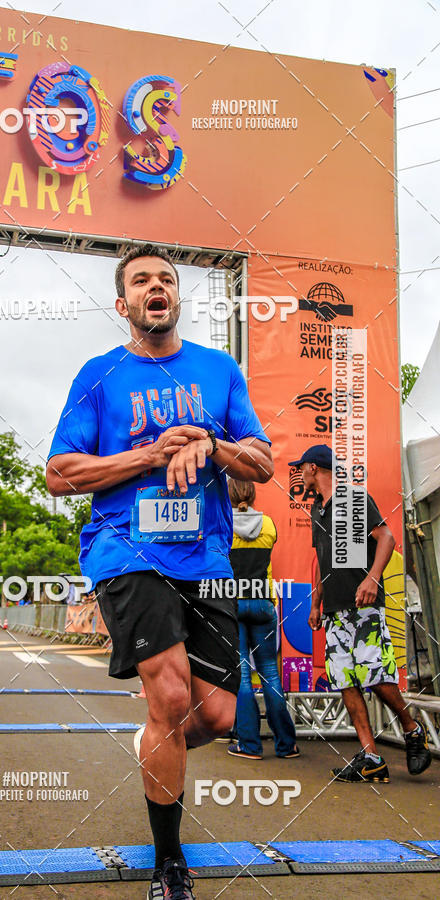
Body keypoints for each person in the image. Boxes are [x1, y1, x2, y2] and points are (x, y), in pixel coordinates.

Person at [47, 243, 273, 899]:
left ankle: (156, 738)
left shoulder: (218, 369)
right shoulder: (99, 375)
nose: (156, 286)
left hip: (205, 557)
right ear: (124, 304)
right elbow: (60, 473)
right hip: (126, 550)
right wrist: (150, 454)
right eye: (142, 279)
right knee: (172, 698)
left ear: (176, 299)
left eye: (167, 279)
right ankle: (169, 862)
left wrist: (212, 443)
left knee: (220, 716)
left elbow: (259, 464)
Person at [291, 444, 432, 782]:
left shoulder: (352, 498)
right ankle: (371, 757)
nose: (300, 474)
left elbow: (386, 537)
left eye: (302, 468)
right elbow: (320, 560)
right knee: (345, 682)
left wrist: (372, 578)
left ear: (313, 468)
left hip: (364, 606)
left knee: (378, 678)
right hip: (334, 611)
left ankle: (412, 730)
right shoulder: (316, 509)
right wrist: (315, 602)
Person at [226, 479, 298, 760]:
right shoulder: (269, 525)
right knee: (270, 672)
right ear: (253, 494)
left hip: (232, 602)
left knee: (243, 675)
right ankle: (286, 744)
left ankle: (250, 745)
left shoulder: (221, 524)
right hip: (264, 603)